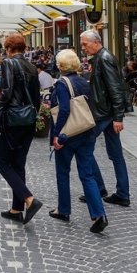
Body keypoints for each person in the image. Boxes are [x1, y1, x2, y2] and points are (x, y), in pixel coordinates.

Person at [49, 49, 108, 233]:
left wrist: (57, 135)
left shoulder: (62, 84)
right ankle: (99, 214)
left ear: (60, 65)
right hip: (86, 132)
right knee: (87, 175)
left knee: (63, 172)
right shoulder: (83, 81)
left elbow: (65, 110)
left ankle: (63, 210)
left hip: (68, 134)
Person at [0, 33, 43, 225]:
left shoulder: (9, 63)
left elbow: (6, 93)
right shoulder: (31, 66)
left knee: (1, 161)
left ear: (8, 48)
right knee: (18, 163)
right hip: (29, 119)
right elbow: (36, 97)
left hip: (13, 119)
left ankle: (29, 199)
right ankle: (16, 209)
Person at [79, 29, 131, 207]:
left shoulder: (104, 58)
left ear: (96, 42)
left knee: (83, 146)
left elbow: (115, 89)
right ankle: (122, 193)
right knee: (116, 154)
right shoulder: (101, 57)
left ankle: (98, 188)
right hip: (107, 112)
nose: (83, 48)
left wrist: (118, 117)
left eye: (85, 44)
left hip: (104, 113)